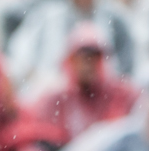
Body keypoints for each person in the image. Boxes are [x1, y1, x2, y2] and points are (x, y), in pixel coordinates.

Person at [27, 23, 139, 149]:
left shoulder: (120, 94)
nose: (88, 65)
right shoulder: (53, 98)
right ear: (71, 60)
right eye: (83, 59)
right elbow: (36, 138)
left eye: (93, 59)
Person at [7, 0, 135, 97]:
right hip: (54, 93)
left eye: (91, 57)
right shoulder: (47, 18)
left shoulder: (116, 20)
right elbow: (22, 60)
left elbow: (127, 71)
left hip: (103, 95)